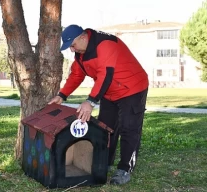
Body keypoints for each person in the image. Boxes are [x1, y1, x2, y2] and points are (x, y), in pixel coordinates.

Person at [48, 24, 149, 185]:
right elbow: (76, 75)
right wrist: (62, 95)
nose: (72, 50)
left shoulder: (105, 44)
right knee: (106, 129)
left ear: (82, 37)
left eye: (72, 45)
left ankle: (124, 169)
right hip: (109, 92)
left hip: (132, 88)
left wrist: (90, 101)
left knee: (129, 128)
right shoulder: (81, 55)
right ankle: (104, 163)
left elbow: (105, 75)